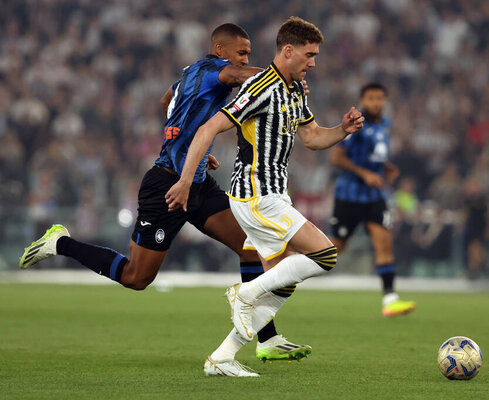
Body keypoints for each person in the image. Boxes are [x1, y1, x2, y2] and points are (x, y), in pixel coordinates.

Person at [19, 23, 310, 376]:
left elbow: (165, 101)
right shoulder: (217, 70)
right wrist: (280, 74)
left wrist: (188, 146)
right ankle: (61, 243)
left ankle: (266, 339)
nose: (246, 58)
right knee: (136, 277)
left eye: (248, 53)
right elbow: (237, 75)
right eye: (242, 52)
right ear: (219, 49)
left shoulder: (190, 74)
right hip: (165, 187)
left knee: (252, 246)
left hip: (196, 183)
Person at [165, 16, 364, 376]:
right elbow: (210, 127)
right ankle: (244, 293)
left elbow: (313, 137)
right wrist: (183, 179)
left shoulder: (293, 90)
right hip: (255, 195)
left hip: (274, 195)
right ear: (288, 50)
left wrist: (343, 130)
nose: (313, 62)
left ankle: (222, 357)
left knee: (285, 283)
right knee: (324, 254)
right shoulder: (261, 87)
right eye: (309, 54)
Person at [328, 82, 415, 316]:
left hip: (375, 196)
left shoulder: (384, 124)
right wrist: (365, 173)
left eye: (380, 98)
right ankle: (285, 272)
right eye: (371, 98)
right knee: (335, 248)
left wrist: (384, 167)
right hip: (349, 195)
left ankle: (390, 299)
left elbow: (370, 155)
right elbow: (337, 158)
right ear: (362, 100)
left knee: (384, 243)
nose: (376, 102)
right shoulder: (356, 123)